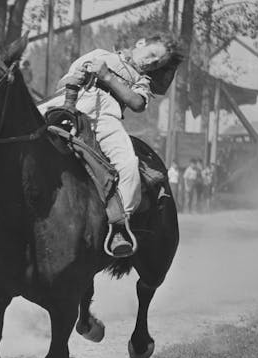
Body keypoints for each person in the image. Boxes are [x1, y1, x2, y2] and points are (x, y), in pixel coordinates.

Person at [38, 35, 184, 256]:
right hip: (73, 100)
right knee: (23, 129)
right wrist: (77, 77)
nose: (150, 63)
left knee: (128, 164)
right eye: (152, 55)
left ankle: (117, 226)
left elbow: (137, 103)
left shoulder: (141, 79)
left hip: (106, 116)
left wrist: (106, 76)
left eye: (157, 64)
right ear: (141, 43)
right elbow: (63, 82)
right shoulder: (99, 55)